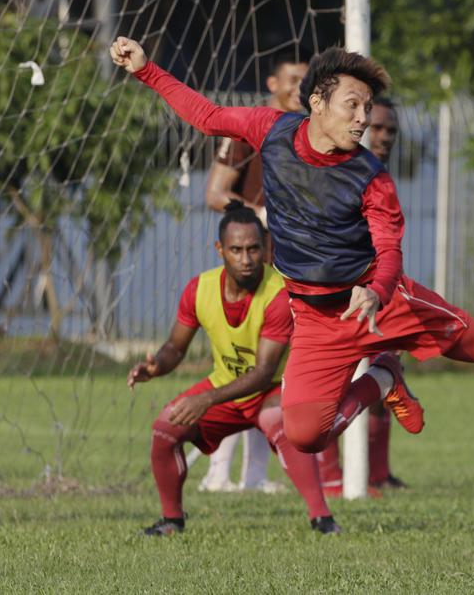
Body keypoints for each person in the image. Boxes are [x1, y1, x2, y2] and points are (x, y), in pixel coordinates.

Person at [111, 37, 474, 470]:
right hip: (316, 317)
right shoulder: (271, 128)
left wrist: (375, 291)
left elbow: (389, 248)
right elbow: (206, 115)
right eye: (353, 105)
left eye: (369, 108)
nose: (362, 119)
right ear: (317, 101)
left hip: (383, 299)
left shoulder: (370, 177)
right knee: (304, 436)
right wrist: (145, 69)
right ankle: (381, 379)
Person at [128, 206, 339, 535]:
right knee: (164, 430)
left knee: (276, 420)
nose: (246, 258)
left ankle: (322, 520)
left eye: (254, 248)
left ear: (266, 247)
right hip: (226, 388)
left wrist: (207, 400)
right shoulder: (199, 289)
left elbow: (263, 371)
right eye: (237, 250)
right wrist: (155, 366)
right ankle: (172, 520)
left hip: (273, 389)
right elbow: (175, 348)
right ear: (220, 250)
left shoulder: (278, 294)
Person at [198, 54, 307, 494]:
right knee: (239, 366)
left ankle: (255, 476)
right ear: (272, 83)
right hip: (250, 270)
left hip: (288, 269)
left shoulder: (308, 136)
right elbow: (214, 193)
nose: (301, 88)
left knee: (273, 371)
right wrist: (259, 214)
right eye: (294, 79)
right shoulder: (250, 128)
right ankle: (217, 473)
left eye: (308, 80)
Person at [317, 97, 406, 494]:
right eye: (378, 127)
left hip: (376, 291)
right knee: (332, 388)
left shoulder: (379, 176)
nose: (383, 136)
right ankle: (333, 477)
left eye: (391, 131)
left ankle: (377, 473)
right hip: (328, 296)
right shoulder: (329, 169)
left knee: (386, 372)